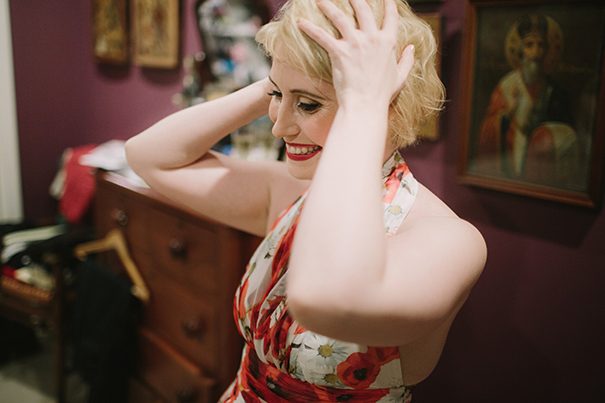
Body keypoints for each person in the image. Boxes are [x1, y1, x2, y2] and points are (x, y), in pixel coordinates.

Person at [125, 0, 487, 401]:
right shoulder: (292, 191)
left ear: (387, 102)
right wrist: (280, 77)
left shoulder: (449, 241)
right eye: (277, 96)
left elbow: (324, 300)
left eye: (308, 104)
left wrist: (363, 105)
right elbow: (149, 157)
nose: (279, 127)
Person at [478, 14, 577, 185]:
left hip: (541, 162)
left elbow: (565, 133)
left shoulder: (554, 90)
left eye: (541, 45)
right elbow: (488, 129)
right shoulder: (507, 86)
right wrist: (507, 114)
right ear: (520, 50)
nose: (536, 53)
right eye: (529, 45)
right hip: (512, 156)